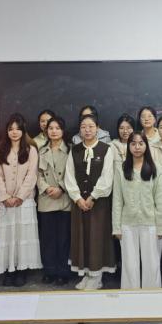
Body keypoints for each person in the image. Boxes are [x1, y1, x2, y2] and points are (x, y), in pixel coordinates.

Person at [65, 113, 116, 290]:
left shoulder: (106, 149)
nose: (87, 130)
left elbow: (107, 177)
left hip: (99, 203)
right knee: (82, 237)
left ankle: (97, 276)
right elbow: (69, 176)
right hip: (79, 203)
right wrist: (78, 198)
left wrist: (93, 196)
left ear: (98, 129)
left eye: (91, 126)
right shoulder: (74, 150)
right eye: (83, 127)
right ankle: (86, 274)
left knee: (97, 237)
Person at [112, 132, 162, 289]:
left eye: (141, 143)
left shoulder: (156, 168)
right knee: (129, 265)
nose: (137, 147)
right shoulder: (122, 168)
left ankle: (151, 296)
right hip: (127, 223)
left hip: (151, 223)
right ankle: (130, 297)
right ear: (128, 146)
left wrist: (161, 227)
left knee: (152, 264)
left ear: (146, 146)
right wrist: (116, 227)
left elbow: (161, 200)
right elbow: (117, 200)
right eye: (133, 143)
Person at [0, 113, 42, 287]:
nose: (14, 132)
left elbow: (32, 175)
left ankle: (22, 271)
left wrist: (20, 196)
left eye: (17, 129)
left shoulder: (31, 150)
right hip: (6, 202)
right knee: (8, 237)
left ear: (23, 130)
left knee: (23, 236)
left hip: (25, 201)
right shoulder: (2, 150)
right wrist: (5, 197)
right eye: (10, 129)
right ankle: (9, 270)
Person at [37, 116, 72, 286]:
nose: (54, 131)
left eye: (57, 128)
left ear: (63, 131)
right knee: (47, 239)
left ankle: (63, 271)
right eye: (51, 128)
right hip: (46, 199)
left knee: (64, 238)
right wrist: (46, 188)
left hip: (64, 199)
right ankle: (49, 270)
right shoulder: (41, 151)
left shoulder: (71, 150)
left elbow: (73, 174)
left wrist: (62, 188)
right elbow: (36, 174)